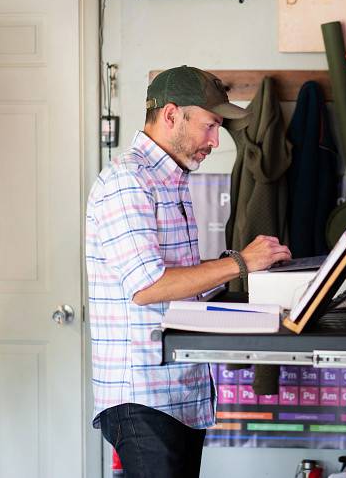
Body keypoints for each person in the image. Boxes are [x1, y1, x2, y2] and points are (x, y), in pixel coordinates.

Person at [85, 65, 291, 477]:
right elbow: (147, 287)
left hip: (177, 396)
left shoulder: (169, 181)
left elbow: (177, 287)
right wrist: (240, 262)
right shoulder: (128, 182)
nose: (216, 141)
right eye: (211, 125)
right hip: (143, 398)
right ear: (171, 115)